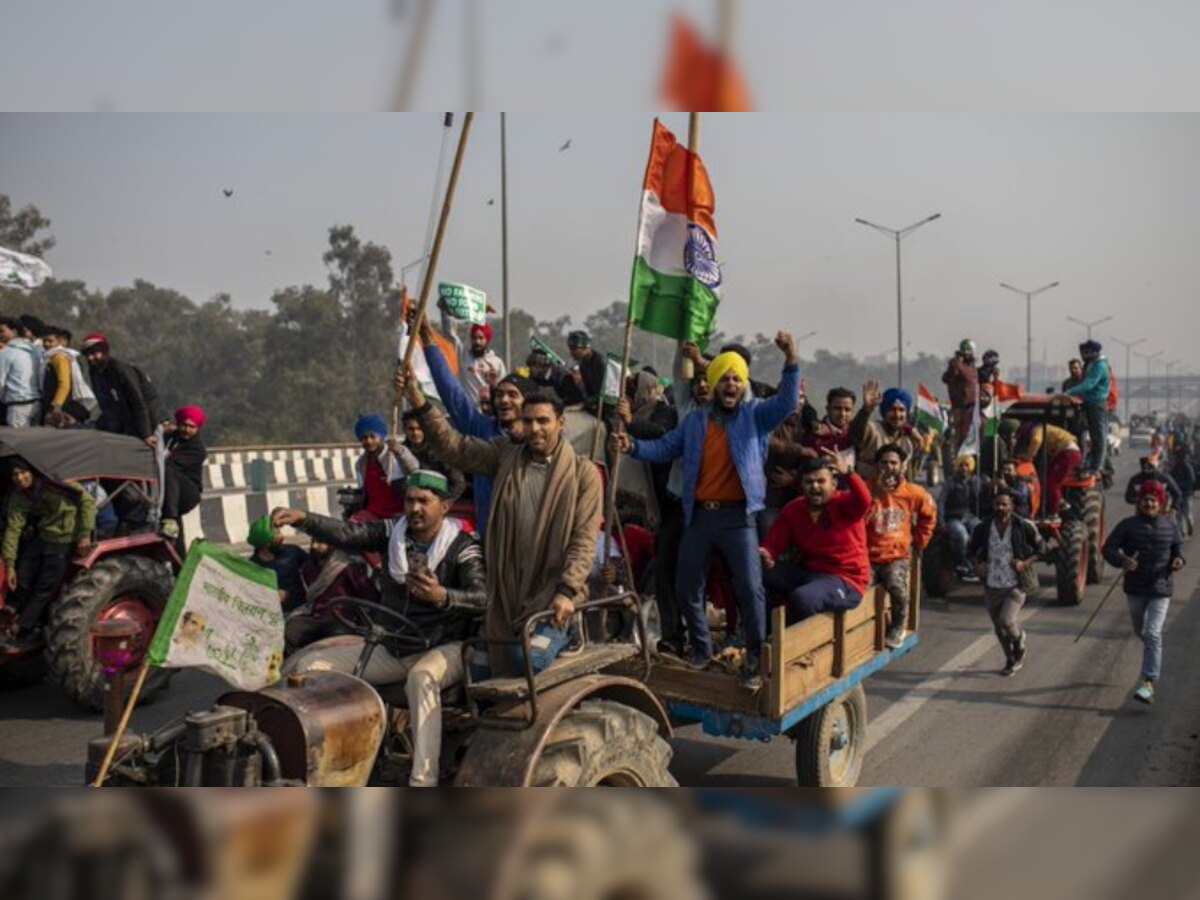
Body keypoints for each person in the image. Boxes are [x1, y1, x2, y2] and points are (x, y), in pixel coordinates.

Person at [613, 334, 802, 689]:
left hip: (738, 520)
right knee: (687, 587)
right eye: (724, 378)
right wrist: (633, 445)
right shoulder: (696, 422)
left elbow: (788, 401)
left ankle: (755, 660)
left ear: (742, 385)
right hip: (700, 518)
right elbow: (665, 448)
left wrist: (791, 358)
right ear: (713, 384)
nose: (730, 384)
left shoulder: (755, 416)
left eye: (736, 379)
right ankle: (701, 651)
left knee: (749, 588)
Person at [277, 470, 486, 786]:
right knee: (311, 666)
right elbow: (348, 534)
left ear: (444, 507)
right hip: (394, 645)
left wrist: (442, 597)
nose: (414, 508)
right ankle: (327, 768)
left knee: (421, 678)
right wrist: (304, 518)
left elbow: (482, 598)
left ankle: (423, 781)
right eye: (409, 500)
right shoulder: (393, 533)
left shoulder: (463, 547)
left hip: (445, 647)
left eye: (424, 501)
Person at [407, 378, 603, 677]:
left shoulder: (583, 474)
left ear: (560, 423)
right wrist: (421, 405)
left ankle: (570, 633)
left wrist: (567, 591)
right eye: (529, 420)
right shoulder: (506, 454)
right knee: (481, 672)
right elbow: (456, 448)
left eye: (543, 421)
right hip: (507, 594)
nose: (535, 428)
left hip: (552, 594)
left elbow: (584, 539)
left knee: (528, 659)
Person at [412, 316, 534, 535]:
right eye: (500, 395)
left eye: (512, 395)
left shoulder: (538, 443)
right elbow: (453, 395)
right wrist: (428, 339)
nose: (504, 401)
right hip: (490, 537)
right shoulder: (484, 429)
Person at [760, 452, 872, 622]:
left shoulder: (847, 505)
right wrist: (767, 554)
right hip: (810, 574)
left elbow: (864, 500)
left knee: (803, 599)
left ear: (834, 484)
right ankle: (764, 635)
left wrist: (848, 473)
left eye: (821, 481)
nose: (815, 487)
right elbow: (774, 543)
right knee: (756, 576)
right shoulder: (793, 509)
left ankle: (798, 645)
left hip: (846, 580)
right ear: (801, 485)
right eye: (809, 482)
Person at [1102, 480, 1186, 705]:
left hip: (1161, 588)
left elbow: (1178, 548)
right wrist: (1122, 561)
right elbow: (1108, 548)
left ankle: (1148, 682)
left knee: (1152, 632)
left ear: (1160, 504)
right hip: (1136, 589)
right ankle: (1152, 649)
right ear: (1139, 503)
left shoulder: (1169, 525)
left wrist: (1178, 560)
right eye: (1146, 500)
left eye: (1153, 500)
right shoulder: (1128, 525)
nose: (1149, 503)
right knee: (1141, 630)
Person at [0, 459, 96, 652]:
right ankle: (18, 612)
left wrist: (85, 534)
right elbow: (13, 528)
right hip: (44, 536)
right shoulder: (19, 496)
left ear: (32, 472)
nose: (20, 478)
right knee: (23, 577)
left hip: (66, 538)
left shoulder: (56, 483)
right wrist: (9, 565)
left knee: (46, 586)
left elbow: (87, 501)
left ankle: (26, 629)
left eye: (23, 473)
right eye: (15, 475)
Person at [865, 444, 937, 649]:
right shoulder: (866, 490)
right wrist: (876, 494)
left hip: (896, 557)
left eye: (893, 463)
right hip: (868, 557)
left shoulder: (913, 493)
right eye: (884, 463)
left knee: (897, 587)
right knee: (859, 591)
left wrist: (920, 542)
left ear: (902, 467)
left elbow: (929, 515)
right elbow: (855, 520)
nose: (889, 467)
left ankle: (898, 625)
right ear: (877, 466)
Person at [968, 488, 1045, 676]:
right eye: (997, 504)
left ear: (1012, 506)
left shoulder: (1023, 525)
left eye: (1005, 504)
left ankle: (1019, 641)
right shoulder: (984, 527)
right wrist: (977, 565)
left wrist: (1025, 563)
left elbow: (1042, 549)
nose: (1000, 508)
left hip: (1015, 585)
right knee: (999, 629)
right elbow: (969, 550)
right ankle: (1011, 659)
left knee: (1007, 621)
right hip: (992, 585)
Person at [283, 537, 379, 653]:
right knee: (289, 632)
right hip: (314, 616)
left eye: (319, 542)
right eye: (313, 541)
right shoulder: (308, 567)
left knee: (335, 642)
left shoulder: (346, 567)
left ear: (332, 545)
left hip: (341, 618)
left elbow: (369, 595)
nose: (314, 546)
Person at [80, 334, 158, 445]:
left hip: (146, 425)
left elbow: (138, 403)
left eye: (93, 353)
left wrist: (146, 434)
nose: (90, 358)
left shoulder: (120, 369)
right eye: (87, 355)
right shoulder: (95, 372)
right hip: (119, 427)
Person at [389, 409, 467, 504]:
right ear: (405, 430)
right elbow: (398, 482)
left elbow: (458, 483)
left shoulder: (440, 450)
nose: (415, 433)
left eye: (419, 428)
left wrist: (441, 503)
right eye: (411, 429)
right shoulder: (400, 451)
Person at [850, 381, 923, 482]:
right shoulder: (873, 430)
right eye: (892, 410)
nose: (897, 415)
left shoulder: (907, 443)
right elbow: (856, 435)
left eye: (901, 410)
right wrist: (866, 410)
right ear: (884, 412)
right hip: (866, 492)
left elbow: (907, 478)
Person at [1062, 340, 1112, 476]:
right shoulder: (1091, 364)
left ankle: (1097, 467)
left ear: (1094, 352)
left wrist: (1068, 392)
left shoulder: (1099, 366)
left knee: (1099, 437)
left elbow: (1088, 384)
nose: (1084, 355)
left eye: (1086, 352)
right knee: (1088, 437)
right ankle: (1087, 464)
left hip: (1097, 403)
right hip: (1088, 403)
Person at [1015, 420, 1084, 517]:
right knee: (1050, 479)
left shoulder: (1038, 429)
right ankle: (1060, 501)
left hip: (1068, 453)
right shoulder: (1048, 429)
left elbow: (1036, 440)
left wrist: (1029, 457)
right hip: (1069, 452)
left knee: (1051, 482)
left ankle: (1054, 511)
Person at [159, 406, 208, 541]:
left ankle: (171, 518)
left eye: (192, 427)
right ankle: (178, 560)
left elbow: (169, 464)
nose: (187, 430)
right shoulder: (170, 438)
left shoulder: (197, 449)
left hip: (187, 492)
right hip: (169, 492)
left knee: (169, 470)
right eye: (184, 425)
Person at [939, 455, 989, 577]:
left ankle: (979, 561)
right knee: (962, 536)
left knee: (982, 530)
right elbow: (941, 502)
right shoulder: (950, 482)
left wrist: (983, 484)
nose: (964, 468)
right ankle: (962, 562)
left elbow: (982, 496)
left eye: (967, 465)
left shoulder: (974, 481)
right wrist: (941, 522)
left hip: (969, 516)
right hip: (954, 518)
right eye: (961, 465)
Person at [247, 516, 309, 612]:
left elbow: (314, 570)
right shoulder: (252, 567)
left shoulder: (293, 552)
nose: (282, 537)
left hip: (300, 610)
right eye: (277, 534)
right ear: (266, 544)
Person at [353, 414, 405, 520]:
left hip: (398, 516)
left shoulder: (393, 457)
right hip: (372, 515)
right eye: (364, 438)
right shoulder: (361, 464)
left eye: (373, 436)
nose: (369, 441)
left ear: (381, 437)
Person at [41, 326, 97, 424]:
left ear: (58, 341)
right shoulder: (50, 357)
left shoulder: (59, 358)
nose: (46, 344)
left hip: (61, 406)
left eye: (50, 341)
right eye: (44, 341)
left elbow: (64, 384)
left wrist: (57, 405)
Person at [0, 316, 44, 427]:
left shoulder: (7, 352)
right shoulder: (35, 350)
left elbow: (0, 382)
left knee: (17, 442)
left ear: (14, 331)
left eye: (2, 331)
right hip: (37, 404)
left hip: (17, 407)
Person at [800, 387, 857, 466]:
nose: (842, 414)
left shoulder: (857, 432)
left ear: (852, 412)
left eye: (847, 409)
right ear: (828, 409)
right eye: (837, 408)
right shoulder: (814, 435)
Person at [459, 323, 507, 410]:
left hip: (490, 411)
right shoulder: (464, 358)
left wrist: (494, 383)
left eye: (481, 338)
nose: (477, 342)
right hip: (469, 411)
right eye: (474, 338)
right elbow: (450, 333)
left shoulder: (496, 362)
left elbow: (504, 389)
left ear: (487, 340)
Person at [942, 340, 979, 448]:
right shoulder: (956, 365)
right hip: (960, 409)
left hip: (974, 408)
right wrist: (956, 364)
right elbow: (946, 378)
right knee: (959, 439)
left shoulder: (973, 368)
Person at [567, 330, 606, 410]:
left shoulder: (601, 363)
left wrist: (583, 405)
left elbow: (605, 392)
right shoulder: (583, 364)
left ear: (586, 347)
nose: (571, 352)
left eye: (574, 349)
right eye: (570, 349)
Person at [1167, 445, 1195, 536]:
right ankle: (1182, 531)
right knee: (1179, 514)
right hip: (1179, 494)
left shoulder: (1186, 466)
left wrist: (1179, 485)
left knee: (1186, 513)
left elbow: (1191, 479)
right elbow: (1170, 477)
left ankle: (1189, 524)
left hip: (1186, 494)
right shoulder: (1176, 467)